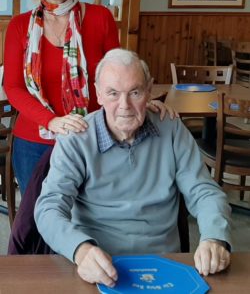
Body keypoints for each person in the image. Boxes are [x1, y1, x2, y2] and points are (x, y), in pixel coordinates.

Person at [35, 49, 232, 288]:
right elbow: (49, 207)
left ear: (149, 90)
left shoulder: (171, 129)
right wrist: (79, 250)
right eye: (113, 93)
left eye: (135, 92)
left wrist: (214, 237)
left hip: (163, 262)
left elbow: (204, 191)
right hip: (96, 264)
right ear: (98, 93)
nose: (124, 105)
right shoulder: (76, 139)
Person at [3, 0, 171, 196]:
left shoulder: (99, 17)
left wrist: (140, 99)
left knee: (92, 217)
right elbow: (13, 87)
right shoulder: (18, 26)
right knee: (38, 220)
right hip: (34, 142)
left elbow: (119, 73)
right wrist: (52, 121)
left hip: (93, 136)